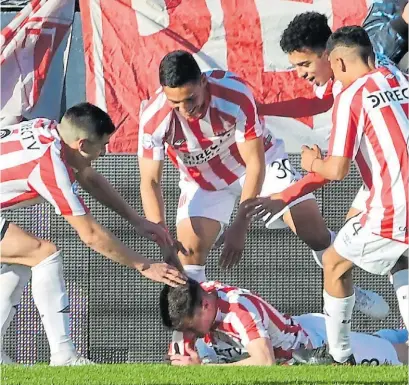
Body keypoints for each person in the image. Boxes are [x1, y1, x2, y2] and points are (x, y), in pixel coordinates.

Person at [137, 49, 385, 318]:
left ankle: (344, 284)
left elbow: (254, 163)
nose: (186, 110)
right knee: (186, 257)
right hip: (205, 182)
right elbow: (150, 181)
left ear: (204, 83)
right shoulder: (154, 119)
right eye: (176, 104)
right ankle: (198, 345)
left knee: (312, 229)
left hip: (256, 165)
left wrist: (241, 223)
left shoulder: (233, 93)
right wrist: (161, 237)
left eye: (191, 99)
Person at [245, 26, 409, 364]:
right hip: (386, 185)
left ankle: (339, 356)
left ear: (331, 59)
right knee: (397, 256)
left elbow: (335, 170)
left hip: (394, 199)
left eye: (305, 65)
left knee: (334, 261)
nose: (302, 75)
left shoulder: (351, 95)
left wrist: (309, 163)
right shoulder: (393, 74)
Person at [0, 103, 186, 366]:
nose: (103, 152)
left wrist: (136, 221)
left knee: (22, 261)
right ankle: (63, 356)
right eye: (102, 146)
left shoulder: (50, 129)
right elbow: (89, 234)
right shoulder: (48, 163)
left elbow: (89, 177)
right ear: (83, 144)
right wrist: (144, 266)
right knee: (44, 255)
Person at [160, 279, 408, 366]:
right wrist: (183, 343)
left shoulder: (238, 312)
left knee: (396, 358)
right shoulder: (201, 294)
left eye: (190, 327)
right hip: (299, 331)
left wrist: (202, 371)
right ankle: (395, 333)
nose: (189, 333)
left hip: (317, 348)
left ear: (205, 306)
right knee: (380, 343)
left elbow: (264, 362)